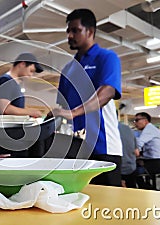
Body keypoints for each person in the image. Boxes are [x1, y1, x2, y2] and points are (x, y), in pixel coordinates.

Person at [52, 8, 122, 186]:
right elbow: (62, 108)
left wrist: (74, 113)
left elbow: (107, 92)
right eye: (68, 31)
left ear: (90, 31)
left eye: (75, 30)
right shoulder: (68, 68)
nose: (69, 35)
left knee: (106, 206)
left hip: (103, 147)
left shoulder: (106, 58)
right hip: (75, 149)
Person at [0, 53, 43, 157]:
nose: (31, 75)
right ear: (22, 64)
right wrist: (30, 112)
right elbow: (4, 108)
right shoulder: (6, 81)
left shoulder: (14, 84)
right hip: (3, 137)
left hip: (10, 136)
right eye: (31, 71)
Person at [134, 112, 160, 189]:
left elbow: (139, 143)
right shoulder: (152, 129)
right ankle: (147, 186)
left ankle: (144, 188)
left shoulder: (149, 129)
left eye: (137, 120)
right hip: (159, 160)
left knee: (130, 169)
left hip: (155, 162)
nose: (135, 123)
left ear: (145, 120)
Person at [119, 122, 139, 188]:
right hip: (131, 168)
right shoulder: (128, 128)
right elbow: (137, 152)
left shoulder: (105, 129)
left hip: (118, 171)